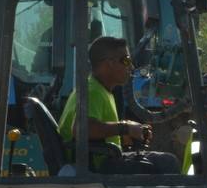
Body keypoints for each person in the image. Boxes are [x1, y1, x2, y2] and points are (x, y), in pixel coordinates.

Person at [57, 35, 180, 174]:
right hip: (98, 166)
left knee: (164, 160)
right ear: (109, 63)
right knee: (167, 163)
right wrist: (125, 128)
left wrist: (127, 129)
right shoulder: (92, 91)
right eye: (126, 61)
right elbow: (81, 129)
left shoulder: (100, 90)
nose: (131, 67)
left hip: (105, 160)